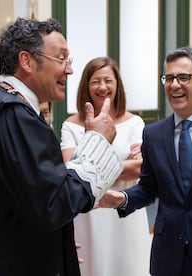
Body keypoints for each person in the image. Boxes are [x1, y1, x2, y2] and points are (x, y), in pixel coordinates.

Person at [0, 18, 123, 275]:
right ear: (26, 61)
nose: (69, 70)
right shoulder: (13, 115)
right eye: (61, 59)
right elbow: (52, 205)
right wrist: (98, 140)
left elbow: (23, 199)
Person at [99, 46, 192, 276]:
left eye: (183, 77)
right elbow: (149, 188)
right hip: (168, 257)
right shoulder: (153, 134)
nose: (174, 85)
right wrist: (123, 199)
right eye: (168, 78)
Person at [60, 57, 150, 276]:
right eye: (95, 81)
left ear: (117, 84)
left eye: (108, 80)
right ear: (86, 86)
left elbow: (139, 169)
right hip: (89, 212)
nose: (102, 87)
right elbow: (71, 171)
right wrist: (122, 164)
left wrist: (92, 166)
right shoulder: (71, 125)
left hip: (125, 212)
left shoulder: (135, 123)